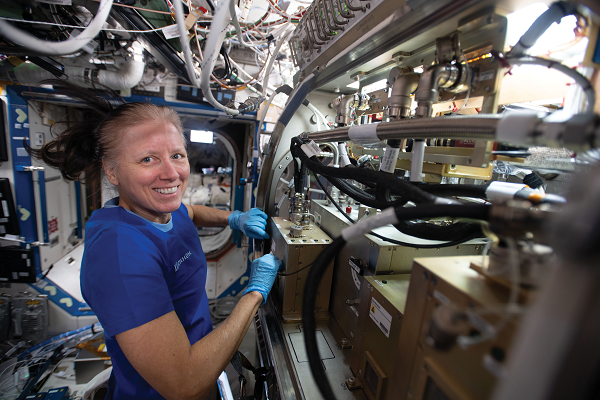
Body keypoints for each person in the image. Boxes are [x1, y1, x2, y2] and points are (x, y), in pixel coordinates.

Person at [28, 82, 281, 400]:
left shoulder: (160, 210)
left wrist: (234, 219)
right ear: (112, 171)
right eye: (148, 159)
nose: (171, 173)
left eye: (177, 155)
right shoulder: (119, 256)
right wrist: (254, 294)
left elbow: (190, 212)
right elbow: (184, 384)